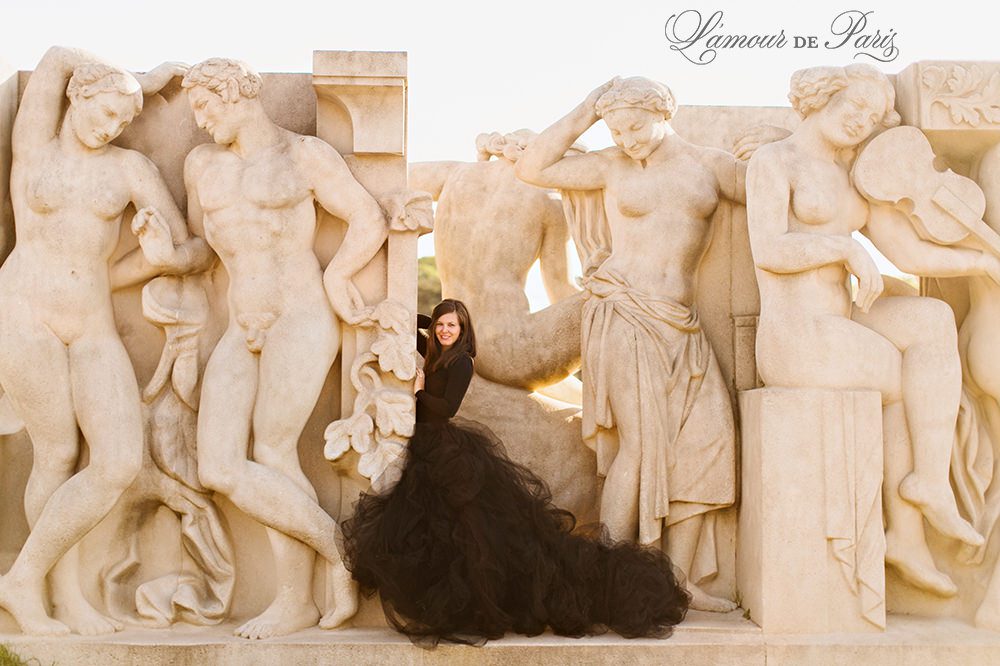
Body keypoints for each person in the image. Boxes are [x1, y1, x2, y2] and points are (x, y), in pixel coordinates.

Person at [746, 64, 995, 595]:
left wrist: (982, 262)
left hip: (843, 321)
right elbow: (767, 250)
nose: (861, 120)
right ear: (821, 99)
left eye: (873, 115)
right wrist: (843, 247)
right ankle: (907, 534)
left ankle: (929, 481)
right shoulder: (775, 161)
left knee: (932, 319)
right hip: (797, 332)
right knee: (902, 378)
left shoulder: (855, 177)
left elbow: (908, 253)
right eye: (854, 106)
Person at [0, 46, 207, 635]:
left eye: (124, 119)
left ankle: (21, 579)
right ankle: (62, 597)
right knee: (57, 453)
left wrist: (162, 259)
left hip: (90, 323)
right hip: (24, 312)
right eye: (108, 110)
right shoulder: (35, 146)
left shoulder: (129, 169)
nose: (114, 125)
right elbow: (56, 56)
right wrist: (142, 79)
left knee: (116, 461)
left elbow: (193, 250)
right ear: (78, 95)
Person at [180, 57, 387, 639]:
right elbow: (201, 250)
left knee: (272, 450)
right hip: (240, 324)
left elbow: (367, 218)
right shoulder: (202, 166)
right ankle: (339, 553)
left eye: (206, 106)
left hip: (299, 315)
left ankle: (294, 601)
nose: (200, 121)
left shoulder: (304, 156)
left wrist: (337, 276)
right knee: (217, 465)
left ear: (236, 94)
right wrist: (161, 254)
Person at [515, 76, 740, 611]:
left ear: (664, 112)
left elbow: (772, 186)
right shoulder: (611, 166)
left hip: (680, 322)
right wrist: (587, 110)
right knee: (640, 446)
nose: (628, 140)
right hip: (622, 312)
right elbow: (532, 168)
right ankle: (613, 577)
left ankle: (678, 579)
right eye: (617, 131)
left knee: (707, 441)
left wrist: (774, 143)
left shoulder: (709, 165)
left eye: (636, 127)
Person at [343, 299, 690, 644]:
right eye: (441, 325)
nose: (446, 331)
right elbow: (409, 327)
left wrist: (419, 393)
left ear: (463, 332)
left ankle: (480, 607)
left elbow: (447, 409)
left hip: (444, 452)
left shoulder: (461, 362)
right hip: (426, 450)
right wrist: (421, 319)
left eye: (453, 326)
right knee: (439, 534)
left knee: (468, 536)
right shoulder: (435, 353)